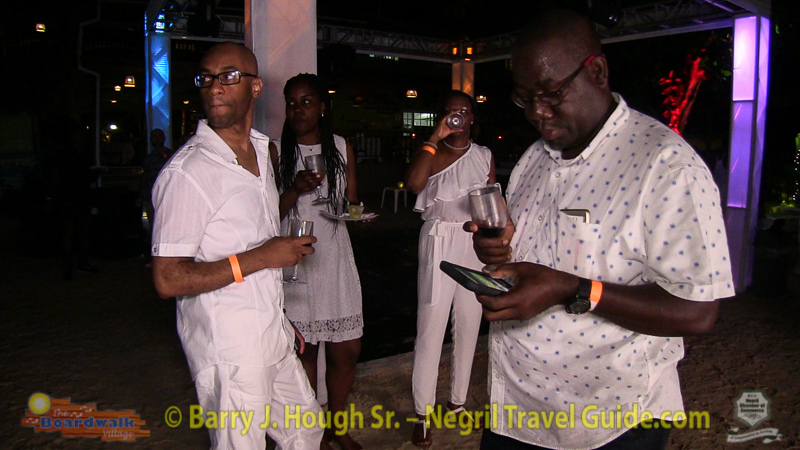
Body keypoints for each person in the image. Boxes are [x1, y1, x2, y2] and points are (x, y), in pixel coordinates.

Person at [465, 10, 735, 450]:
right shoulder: (535, 157)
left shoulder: (666, 166)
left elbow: (697, 310)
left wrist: (571, 288)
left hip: (610, 420)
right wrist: (498, 248)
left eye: (551, 94)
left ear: (597, 72)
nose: (537, 112)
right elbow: (531, 256)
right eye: (524, 98)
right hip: (515, 407)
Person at [150, 42, 324, 449]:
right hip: (230, 347)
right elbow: (168, 279)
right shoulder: (189, 172)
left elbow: (252, 237)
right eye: (206, 78)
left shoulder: (262, 152)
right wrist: (264, 257)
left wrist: (280, 319)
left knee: (305, 432)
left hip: (270, 333)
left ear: (255, 86)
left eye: (229, 76)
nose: (215, 87)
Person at [269, 73, 364, 450]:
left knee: (347, 349)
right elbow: (268, 216)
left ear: (322, 107)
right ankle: (313, 433)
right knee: (304, 351)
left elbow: (352, 203)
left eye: (306, 102)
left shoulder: (341, 146)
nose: (298, 110)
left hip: (336, 259)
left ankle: (337, 427)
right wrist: (295, 189)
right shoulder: (276, 151)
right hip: (297, 261)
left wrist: (358, 215)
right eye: (292, 103)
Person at [405, 90, 496, 447]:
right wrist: (433, 137)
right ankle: (422, 413)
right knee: (430, 326)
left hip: (473, 241)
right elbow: (414, 185)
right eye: (450, 111)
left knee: (470, 323)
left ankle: (457, 402)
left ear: (472, 117)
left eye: (464, 111)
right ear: (443, 116)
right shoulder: (432, 151)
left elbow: (491, 201)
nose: (458, 116)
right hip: (439, 238)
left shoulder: (484, 155)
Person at [139, 128, 173, 265]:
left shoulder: (172, 155)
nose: (157, 139)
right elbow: (144, 177)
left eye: (159, 136)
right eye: (154, 136)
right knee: (153, 228)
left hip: (168, 198)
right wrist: (141, 196)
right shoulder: (148, 158)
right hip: (151, 198)